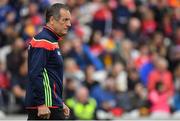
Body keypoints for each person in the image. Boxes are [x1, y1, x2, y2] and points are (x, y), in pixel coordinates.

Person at [25, 3, 71, 120]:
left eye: (69, 20)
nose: (69, 24)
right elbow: (36, 73)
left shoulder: (50, 40)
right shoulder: (44, 41)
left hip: (51, 104)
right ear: (52, 20)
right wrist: (41, 103)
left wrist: (59, 102)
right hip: (46, 108)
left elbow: (50, 76)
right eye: (65, 20)